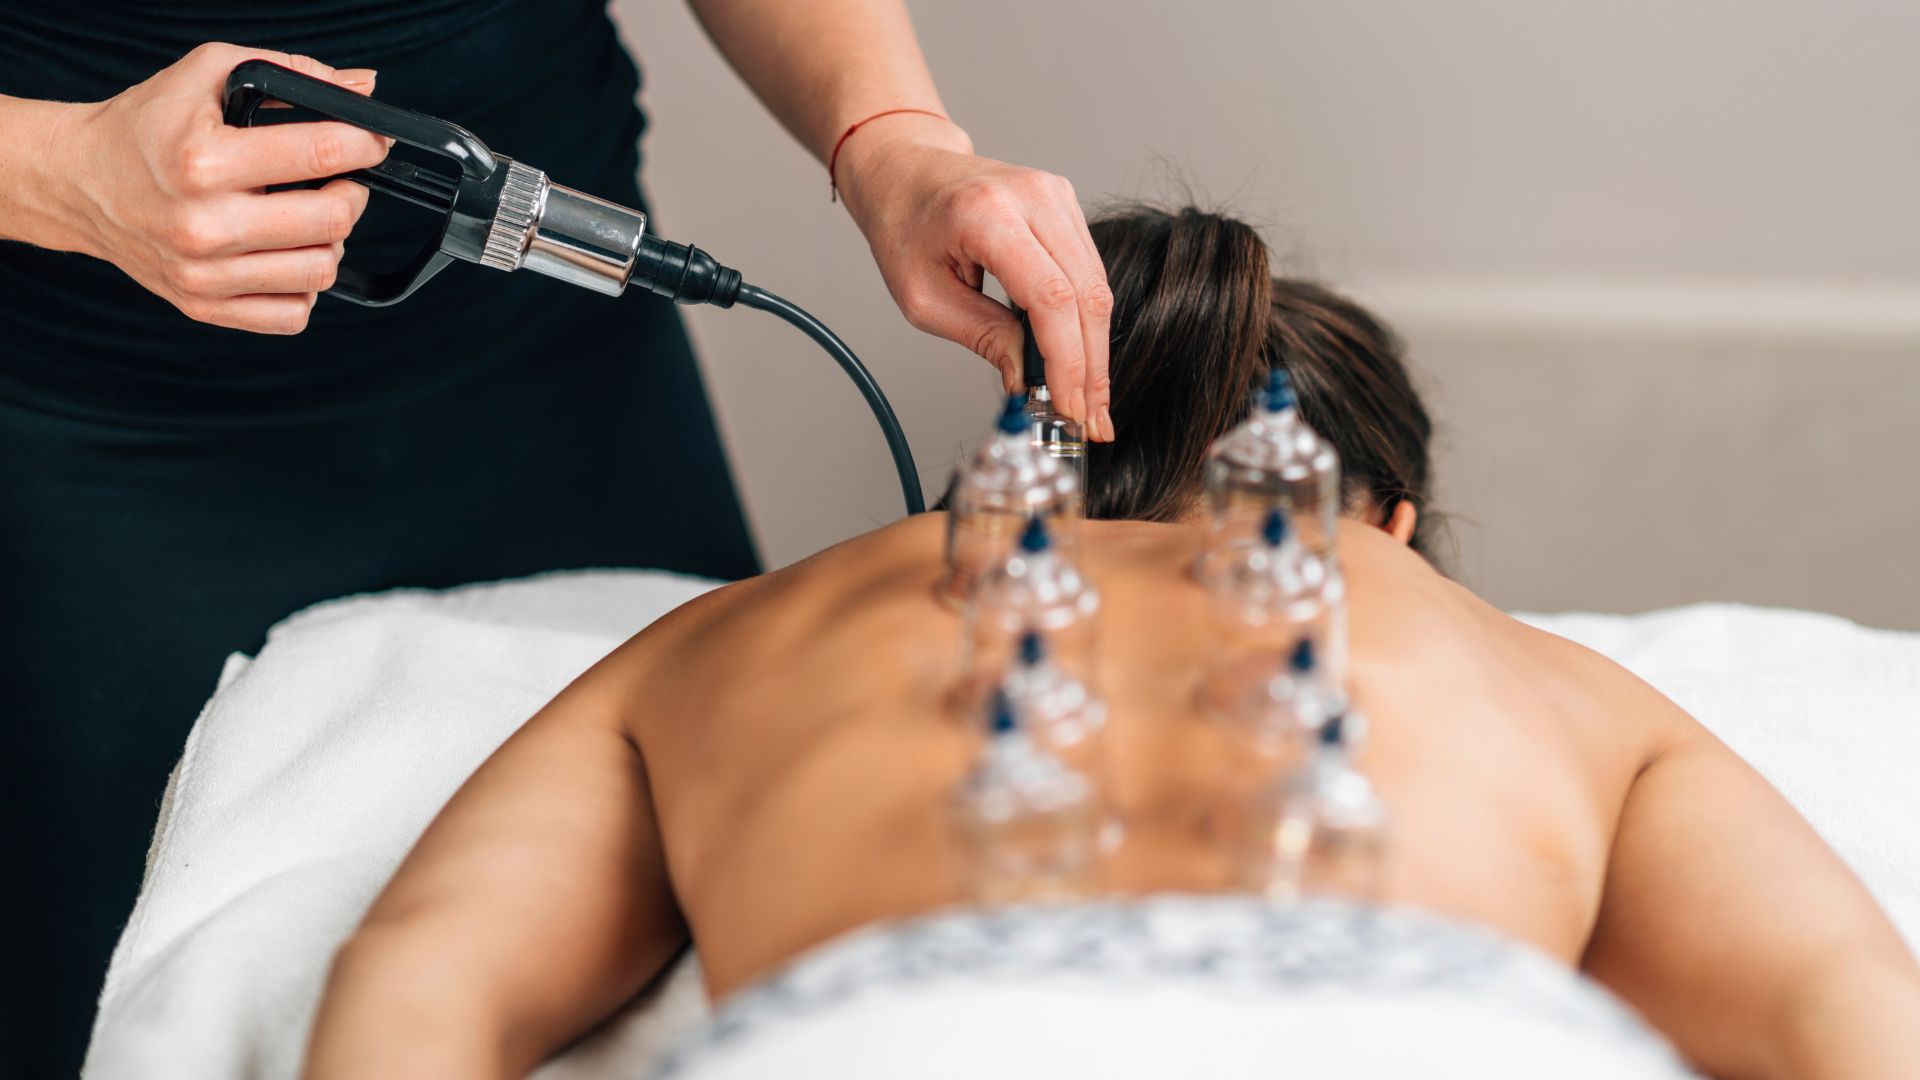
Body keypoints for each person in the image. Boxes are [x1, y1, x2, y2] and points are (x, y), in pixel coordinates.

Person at [303, 208, 1920, 1078]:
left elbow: (426, 983)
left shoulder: (738, 640)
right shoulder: (1548, 683)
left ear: (985, 486)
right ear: (1392, 527)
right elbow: (1842, 1011)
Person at [0, 3, 1117, 1069]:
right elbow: (430, 991)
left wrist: (893, 138)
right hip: (90, 398)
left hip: (553, 339)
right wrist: (61, 170)